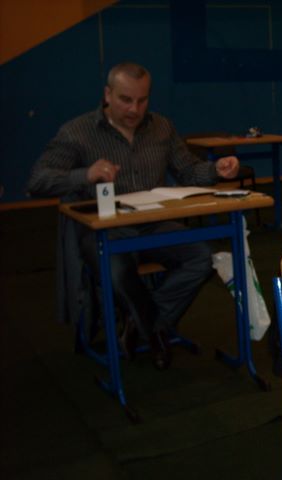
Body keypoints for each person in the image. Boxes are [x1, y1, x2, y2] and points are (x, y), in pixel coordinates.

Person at [27, 62, 240, 370]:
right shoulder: (77, 132)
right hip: (103, 231)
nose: (134, 109)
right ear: (107, 94)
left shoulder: (161, 127)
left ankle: (142, 326)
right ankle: (154, 332)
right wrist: (84, 174)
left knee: (203, 257)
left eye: (142, 100)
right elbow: (37, 181)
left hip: (154, 225)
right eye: (125, 99)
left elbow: (187, 169)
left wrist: (215, 169)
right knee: (117, 271)